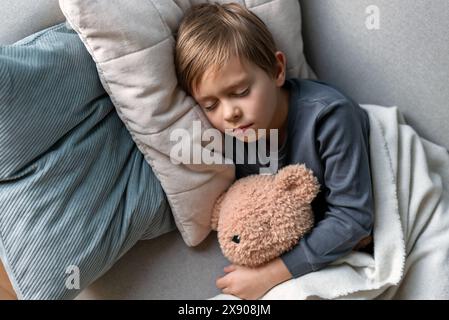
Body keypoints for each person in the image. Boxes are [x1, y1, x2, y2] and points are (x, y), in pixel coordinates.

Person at [175, 2, 374, 300]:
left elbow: (353, 218)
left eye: (240, 92)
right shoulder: (233, 139)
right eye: (211, 105)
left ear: (277, 70)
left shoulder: (329, 117)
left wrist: (269, 275)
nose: (229, 114)